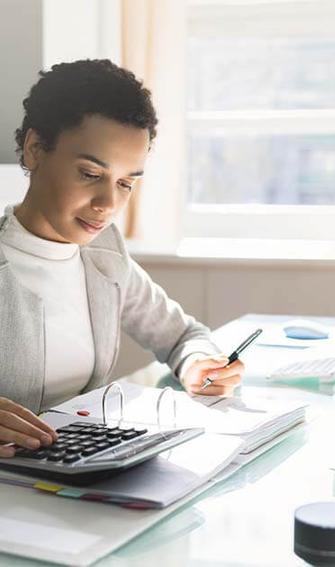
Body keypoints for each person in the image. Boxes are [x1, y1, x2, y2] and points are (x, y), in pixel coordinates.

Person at [0, 59, 245, 457]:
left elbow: (183, 335)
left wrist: (198, 364)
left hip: (76, 482)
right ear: (34, 149)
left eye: (126, 182)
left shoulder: (104, 255)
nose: (109, 204)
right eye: (90, 174)